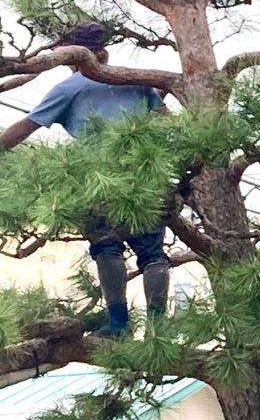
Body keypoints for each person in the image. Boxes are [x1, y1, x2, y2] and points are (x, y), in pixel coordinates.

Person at [0, 21, 169, 337]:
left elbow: (26, 127)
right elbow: (167, 123)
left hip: (97, 181)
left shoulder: (69, 88)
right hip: (146, 178)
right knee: (153, 255)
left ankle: (118, 325)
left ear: (72, 55)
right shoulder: (134, 81)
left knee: (106, 248)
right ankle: (158, 333)